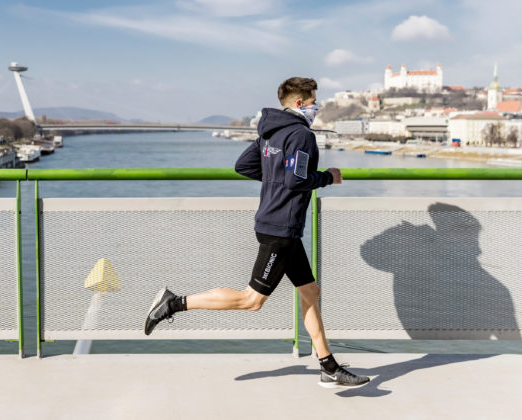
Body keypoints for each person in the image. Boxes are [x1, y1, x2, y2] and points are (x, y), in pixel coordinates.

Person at [144, 77, 369, 388]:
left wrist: (277, 177)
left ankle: (328, 367)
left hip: (275, 224)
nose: (317, 107)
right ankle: (173, 303)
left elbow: (245, 166)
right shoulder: (301, 135)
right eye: (314, 101)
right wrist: (328, 177)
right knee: (252, 300)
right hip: (280, 230)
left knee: (310, 292)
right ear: (300, 103)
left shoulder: (270, 132)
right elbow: (296, 180)